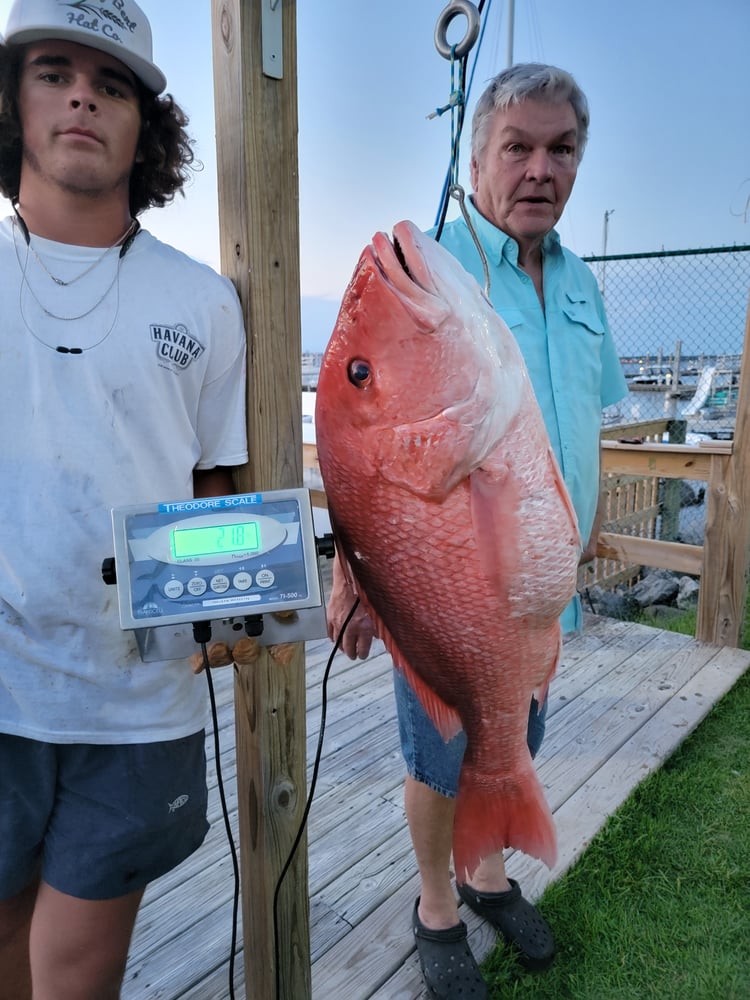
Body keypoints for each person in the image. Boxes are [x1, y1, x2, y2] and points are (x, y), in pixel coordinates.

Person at [326, 63, 628, 998]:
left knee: (514, 733)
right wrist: (356, 577)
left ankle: (488, 875)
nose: (541, 169)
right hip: (451, 583)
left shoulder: (583, 283)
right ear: (477, 154)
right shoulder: (441, 265)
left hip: (540, 586)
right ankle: (437, 905)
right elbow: (371, 461)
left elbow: (589, 415)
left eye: (561, 149)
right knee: (438, 753)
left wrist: (589, 530)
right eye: (518, 147)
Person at [0, 2, 247, 997]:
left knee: (73, 966)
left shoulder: (203, 299)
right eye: (54, 71)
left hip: (140, 702)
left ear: (148, 125)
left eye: (112, 85)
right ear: (13, 100)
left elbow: (216, 484)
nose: (81, 97)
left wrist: (239, 593)